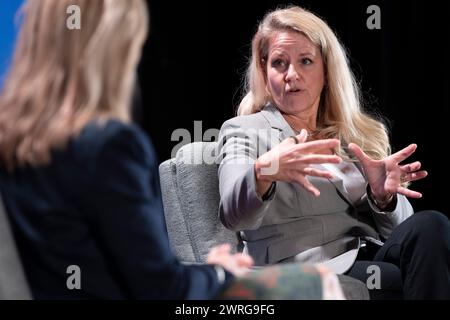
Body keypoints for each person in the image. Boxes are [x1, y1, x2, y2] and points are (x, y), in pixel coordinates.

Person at [0, 0, 343, 300]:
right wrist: (220, 272)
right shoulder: (108, 147)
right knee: (316, 286)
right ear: (111, 49)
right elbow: (160, 289)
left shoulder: (13, 142)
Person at [217, 6, 450, 299]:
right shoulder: (243, 130)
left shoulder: (356, 135)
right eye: (279, 63)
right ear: (264, 71)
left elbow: (402, 234)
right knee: (397, 279)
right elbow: (232, 215)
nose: (292, 75)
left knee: (432, 225)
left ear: (326, 71)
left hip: (365, 255)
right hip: (303, 268)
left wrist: (383, 197)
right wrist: (264, 172)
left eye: (305, 61)